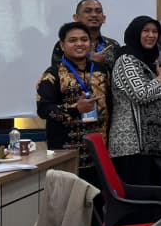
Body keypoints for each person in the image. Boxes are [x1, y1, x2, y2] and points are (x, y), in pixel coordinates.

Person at [36, 21, 112, 187]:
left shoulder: (101, 70)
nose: (79, 44)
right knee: (70, 201)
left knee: (98, 199)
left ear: (90, 43)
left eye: (84, 39)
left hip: (99, 152)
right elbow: (43, 109)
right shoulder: (52, 74)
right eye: (73, 40)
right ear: (62, 45)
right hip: (67, 154)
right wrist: (75, 109)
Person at [108, 16, 161, 185]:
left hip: (148, 147)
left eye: (155, 31)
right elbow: (141, 94)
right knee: (137, 197)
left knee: (151, 196)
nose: (151, 35)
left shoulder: (147, 60)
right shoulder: (126, 60)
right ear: (136, 33)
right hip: (131, 145)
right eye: (146, 31)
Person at [50, 0, 121, 68]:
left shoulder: (113, 45)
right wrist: (88, 62)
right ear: (76, 18)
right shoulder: (67, 44)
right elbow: (57, 71)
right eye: (88, 11)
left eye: (98, 11)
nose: (94, 15)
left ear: (104, 18)